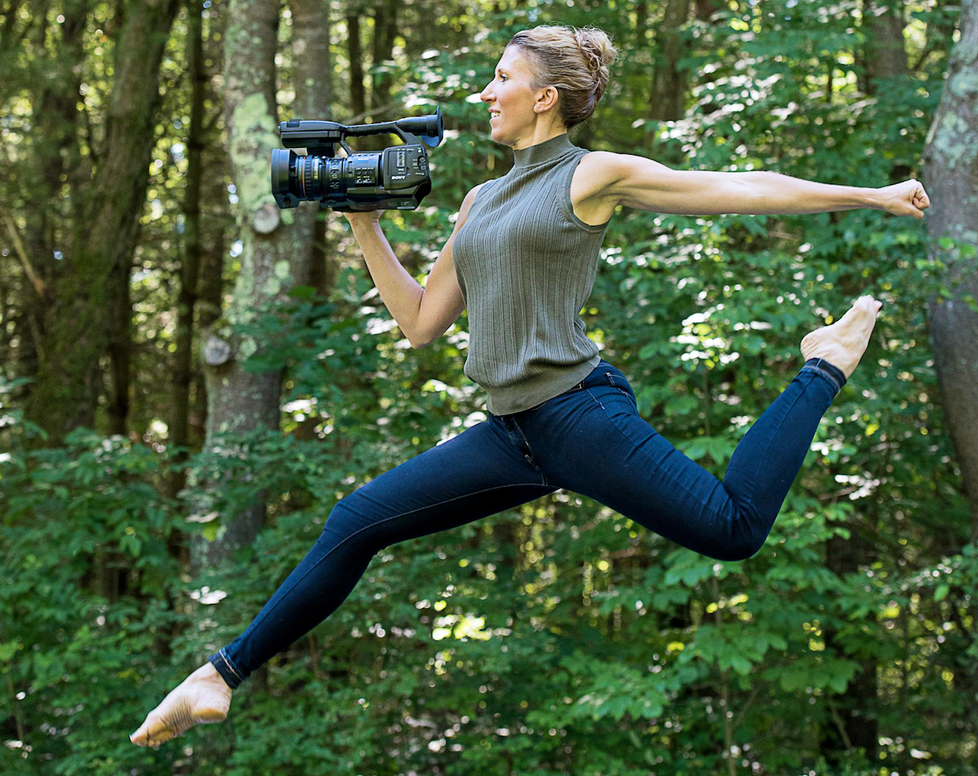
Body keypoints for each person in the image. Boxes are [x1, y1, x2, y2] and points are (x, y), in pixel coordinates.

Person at [130, 23, 930, 749]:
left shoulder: (589, 177)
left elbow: (737, 187)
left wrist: (869, 195)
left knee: (733, 529)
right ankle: (218, 678)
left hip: (576, 411)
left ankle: (824, 362)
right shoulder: (481, 200)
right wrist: (363, 222)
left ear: (544, 97)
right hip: (511, 432)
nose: (485, 92)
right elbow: (418, 322)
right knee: (357, 520)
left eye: (501, 77)